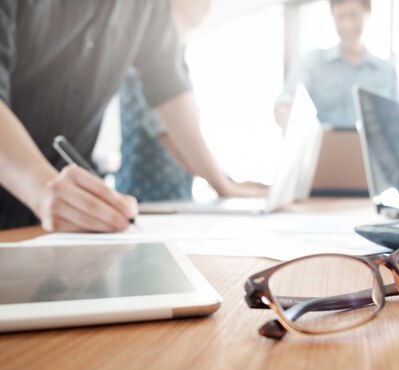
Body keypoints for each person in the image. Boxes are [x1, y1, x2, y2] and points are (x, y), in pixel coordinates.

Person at [0, 1, 264, 232]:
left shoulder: (150, 7)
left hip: (70, 215)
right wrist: (42, 186)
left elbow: (169, 92)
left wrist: (222, 185)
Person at [115, 0, 205, 202]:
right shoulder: (145, 49)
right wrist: (224, 185)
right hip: (143, 198)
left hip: (177, 194)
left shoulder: (178, 61)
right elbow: (167, 131)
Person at [274, 0, 399, 130]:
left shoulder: (386, 72)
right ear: (332, 15)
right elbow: (284, 103)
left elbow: (398, 122)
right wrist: (294, 127)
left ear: (367, 12)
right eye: (340, 17)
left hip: (369, 149)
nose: (347, 24)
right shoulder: (313, 62)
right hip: (323, 148)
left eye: (353, 15)